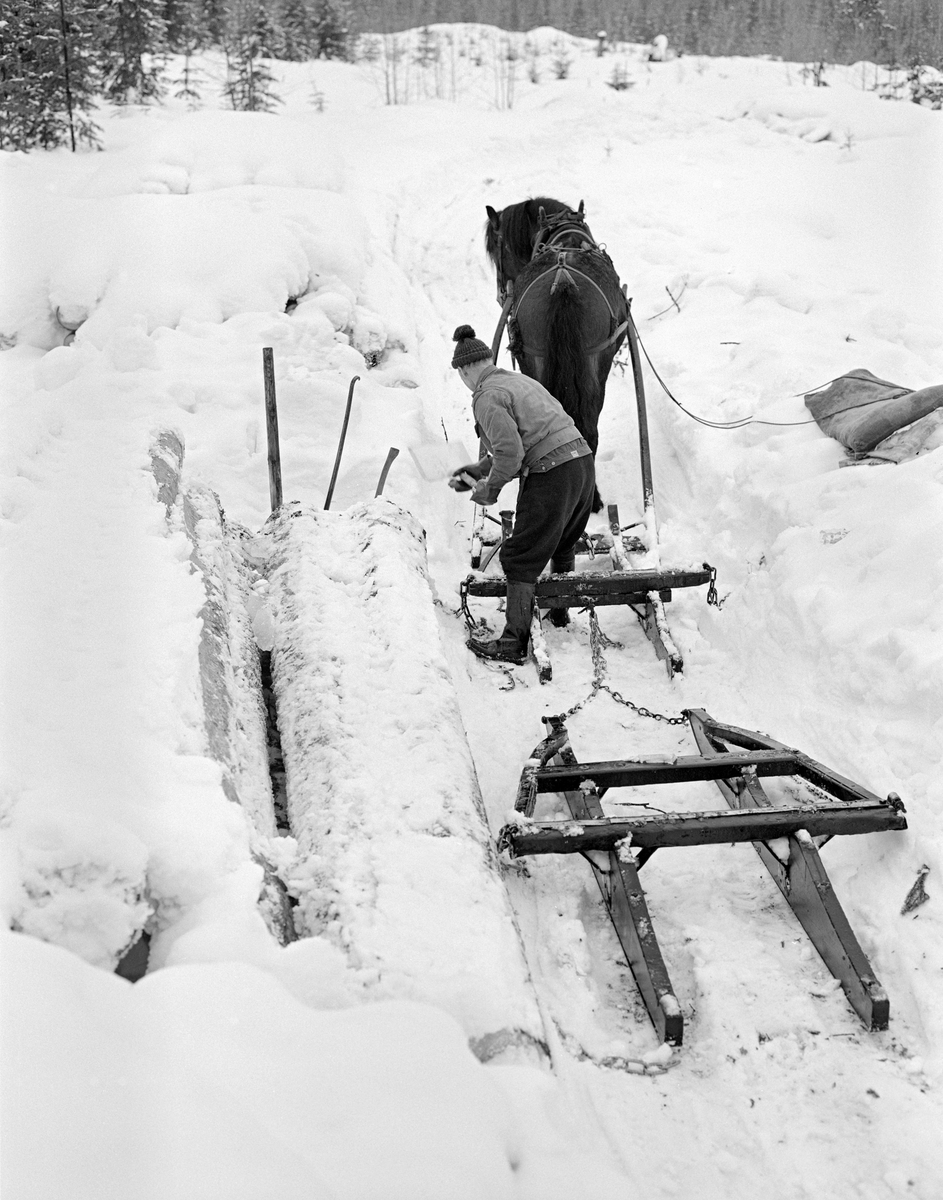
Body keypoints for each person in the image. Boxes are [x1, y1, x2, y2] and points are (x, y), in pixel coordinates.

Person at [447, 324, 595, 664]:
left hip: (552, 473)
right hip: (581, 464)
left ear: (466, 370)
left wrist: (490, 489)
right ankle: (559, 613)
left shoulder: (485, 396)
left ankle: (514, 642)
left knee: (520, 556)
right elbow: (520, 440)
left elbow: (511, 454)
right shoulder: (517, 381)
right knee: (562, 541)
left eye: (462, 376)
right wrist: (479, 471)